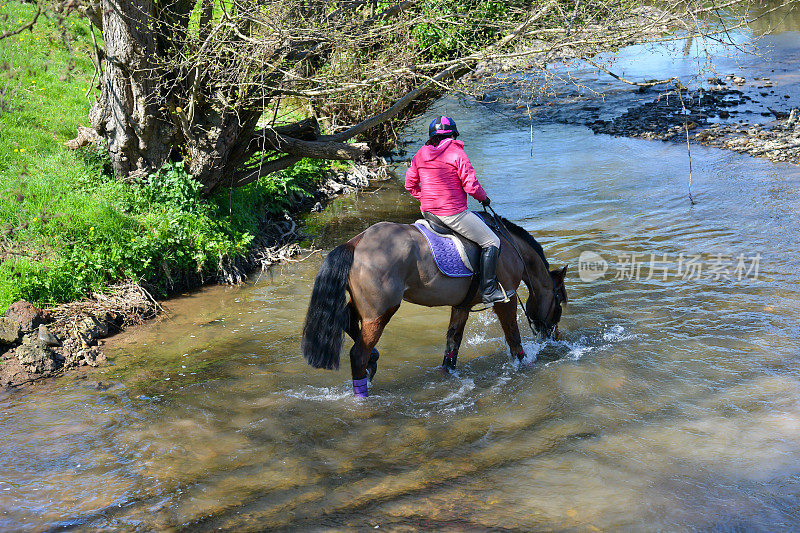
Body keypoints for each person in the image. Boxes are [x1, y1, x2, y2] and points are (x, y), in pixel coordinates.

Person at [405, 115, 514, 304]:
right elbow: (471, 186)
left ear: (432, 136)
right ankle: (488, 290)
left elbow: (410, 184)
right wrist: (484, 198)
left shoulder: (420, 154)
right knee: (492, 241)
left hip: (428, 213)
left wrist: (425, 198)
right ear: (453, 135)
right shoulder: (457, 153)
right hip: (452, 214)